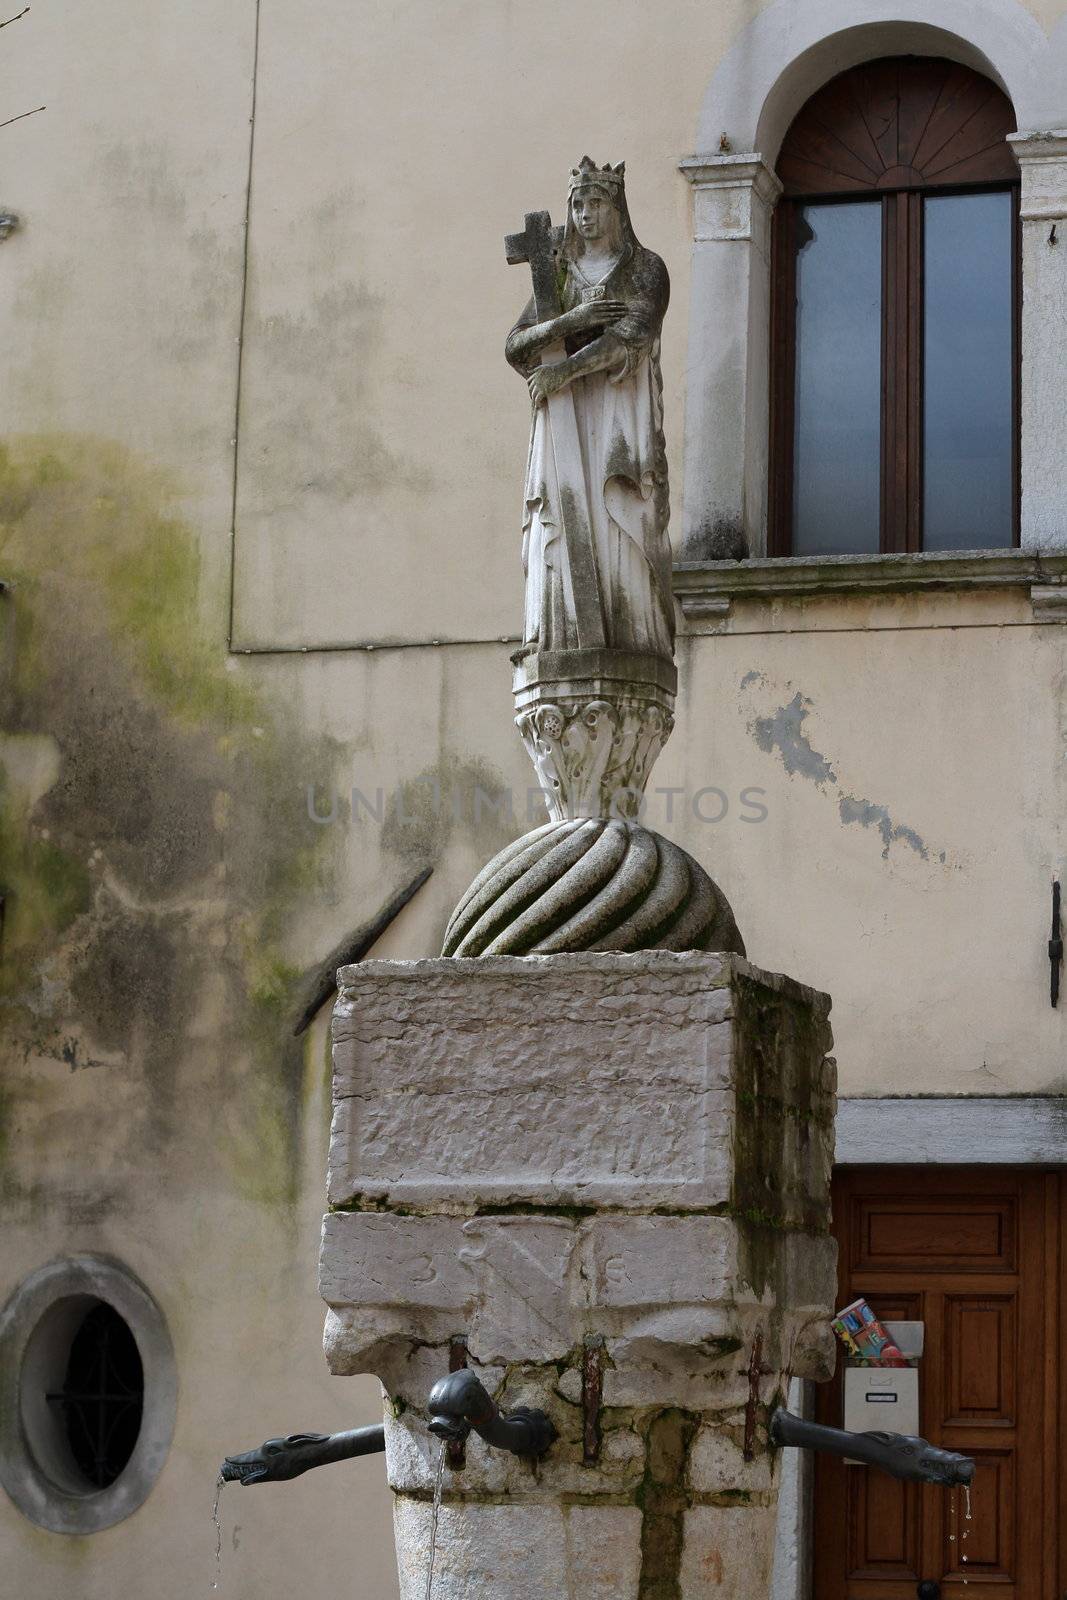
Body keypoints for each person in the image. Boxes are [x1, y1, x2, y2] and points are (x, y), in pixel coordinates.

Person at [506, 157, 674, 661]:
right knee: (559, 516)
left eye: (596, 203)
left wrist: (564, 370)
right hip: (562, 425)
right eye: (578, 204)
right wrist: (568, 320)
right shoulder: (558, 276)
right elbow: (517, 347)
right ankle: (559, 632)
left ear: (617, 207)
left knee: (619, 525)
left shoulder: (645, 270)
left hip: (619, 419)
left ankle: (628, 633)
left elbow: (632, 337)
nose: (585, 214)